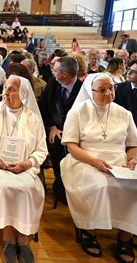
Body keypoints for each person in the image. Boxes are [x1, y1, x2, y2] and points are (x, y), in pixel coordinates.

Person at [60, 73, 137, 262]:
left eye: (111, 88)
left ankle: (125, 238)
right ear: (90, 91)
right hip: (85, 160)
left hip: (118, 163)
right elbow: (71, 146)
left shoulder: (123, 113)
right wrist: (95, 162)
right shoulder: (78, 111)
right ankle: (88, 229)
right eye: (102, 90)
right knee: (100, 187)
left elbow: (134, 145)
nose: (109, 93)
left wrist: (133, 161)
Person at [0, 75, 48, 263]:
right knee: (5, 186)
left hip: (24, 167)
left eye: (11, 89)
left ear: (23, 93)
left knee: (27, 188)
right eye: (4, 87)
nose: (5, 92)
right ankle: (8, 237)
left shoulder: (33, 119)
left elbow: (41, 149)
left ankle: (23, 237)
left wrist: (27, 164)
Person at [38, 56, 82, 205]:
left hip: (77, 131)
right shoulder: (53, 84)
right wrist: (52, 127)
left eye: (55, 70)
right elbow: (43, 106)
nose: (52, 72)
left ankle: (73, 187)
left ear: (65, 74)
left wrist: (70, 132)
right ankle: (60, 183)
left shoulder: (83, 89)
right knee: (55, 142)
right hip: (54, 128)